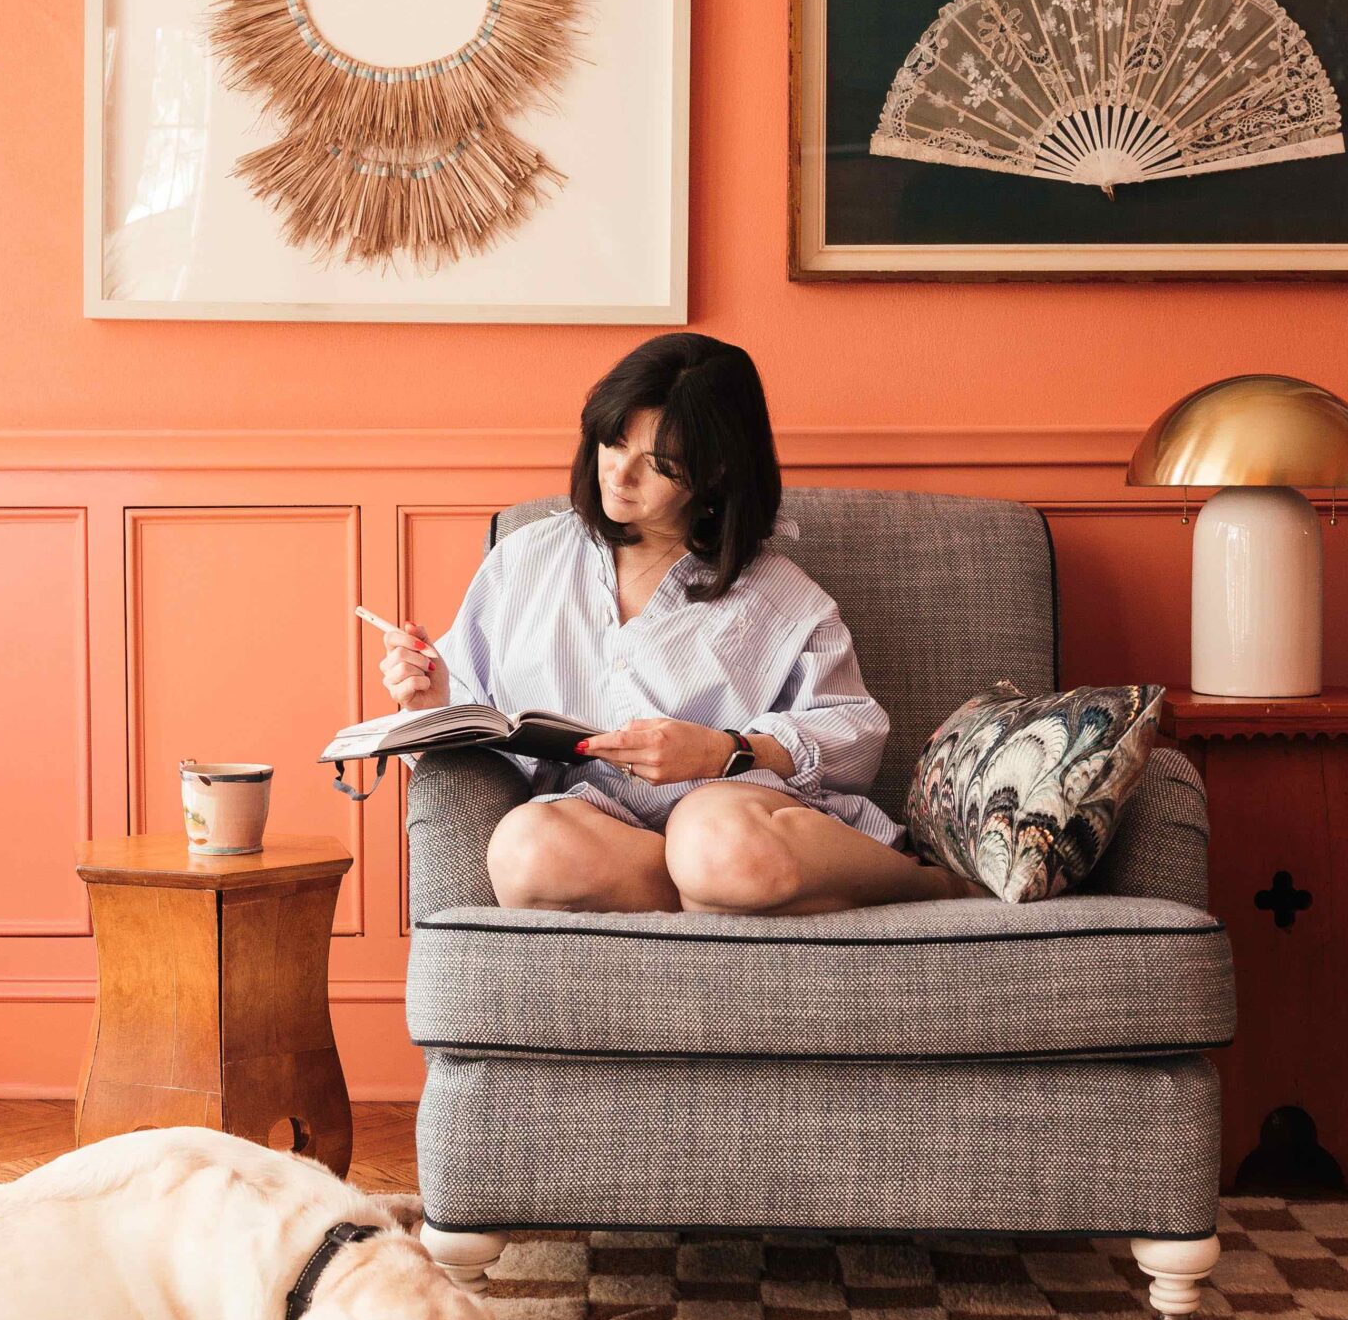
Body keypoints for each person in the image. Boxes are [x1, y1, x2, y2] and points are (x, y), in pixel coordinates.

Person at [379, 333, 978, 916]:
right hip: (599, 835)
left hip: (733, 820)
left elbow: (855, 742)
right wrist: (430, 702)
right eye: (613, 443)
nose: (618, 476)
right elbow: (477, 726)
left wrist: (725, 752)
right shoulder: (524, 560)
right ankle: (723, 893)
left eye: (657, 464)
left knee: (710, 835)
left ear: (715, 472)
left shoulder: (783, 599)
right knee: (525, 848)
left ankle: (930, 888)